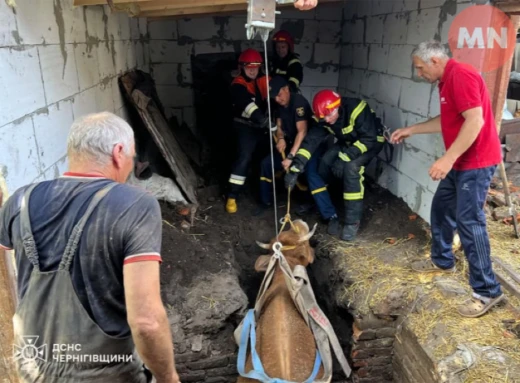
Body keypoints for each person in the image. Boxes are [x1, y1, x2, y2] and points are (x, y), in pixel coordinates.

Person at [0, 112, 180, 383]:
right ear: (118, 153)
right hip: (105, 373)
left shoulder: (19, 201)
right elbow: (146, 321)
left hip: (32, 370)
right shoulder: (135, 205)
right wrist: (169, 379)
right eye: (131, 158)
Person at [390, 40, 504, 318]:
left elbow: (474, 121)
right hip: (463, 161)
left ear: (435, 61)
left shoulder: (461, 75)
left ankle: (487, 291)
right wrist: (412, 129)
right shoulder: (446, 80)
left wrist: (448, 158)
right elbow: (449, 119)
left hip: (475, 164)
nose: (419, 74)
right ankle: (442, 261)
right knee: (441, 207)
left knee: (470, 222)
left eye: (420, 68)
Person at [284, 90, 385, 241]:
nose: (328, 121)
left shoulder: (356, 108)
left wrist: (344, 158)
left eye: (330, 116)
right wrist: (296, 168)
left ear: (337, 107)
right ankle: (320, 199)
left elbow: (369, 139)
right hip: (349, 142)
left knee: (351, 169)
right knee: (325, 161)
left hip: (370, 143)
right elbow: (311, 142)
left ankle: (352, 222)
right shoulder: (324, 118)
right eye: (324, 118)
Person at [256, 76, 313, 214]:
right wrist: (280, 138)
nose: (277, 99)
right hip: (289, 144)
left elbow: (302, 132)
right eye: (274, 97)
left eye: (279, 95)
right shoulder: (279, 105)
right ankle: (266, 202)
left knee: (310, 172)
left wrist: (291, 156)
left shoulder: (298, 102)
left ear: (286, 89)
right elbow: (279, 125)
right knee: (266, 164)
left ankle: (309, 203)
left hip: (305, 147)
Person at [226, 48, 272, 214]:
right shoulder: (237, 84)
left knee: (269, 156)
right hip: (244, 126)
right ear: (241, 68)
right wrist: (265, 121)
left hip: (262, 127)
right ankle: (232, 196)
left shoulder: (263, 80)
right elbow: (248, 106)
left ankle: (267, 192)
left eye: (256, 67)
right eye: (249, 67)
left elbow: (276, 94)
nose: (252, 70)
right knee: (244, 157)